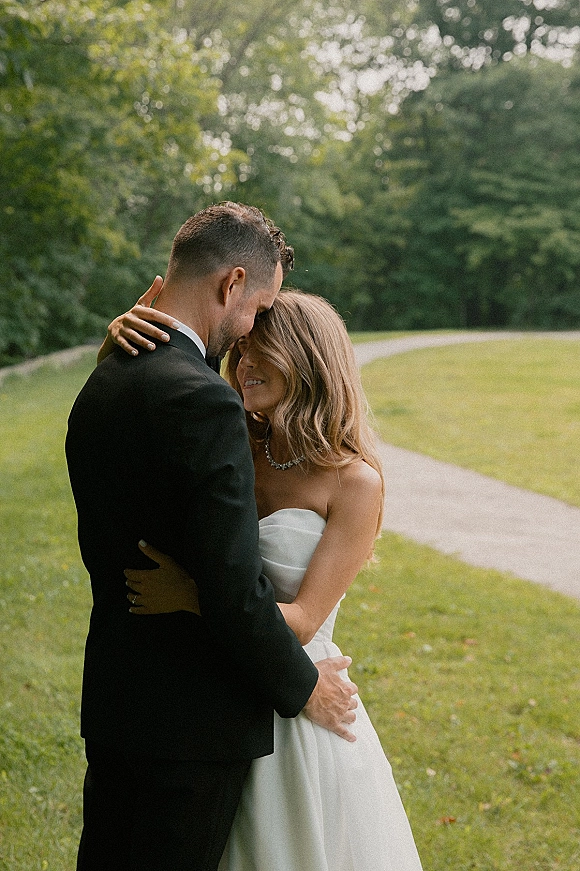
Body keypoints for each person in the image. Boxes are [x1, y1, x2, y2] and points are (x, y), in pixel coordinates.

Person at [65, 203, 359, 871]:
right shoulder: (203, 399)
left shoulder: (105, 375)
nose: (250, 331)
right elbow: (232, 592)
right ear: (231, 285)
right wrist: (306, 684)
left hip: (117, 701)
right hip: (192, 724)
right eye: (257, 308)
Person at [105, 288, 424, 870]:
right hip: (218, 692)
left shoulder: (355, 483)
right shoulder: (232, 439)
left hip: (298, 700)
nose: (242, 364)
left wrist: (193, 596)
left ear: (307, 358)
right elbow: (154, 409)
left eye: (261, 351)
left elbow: (301, 620)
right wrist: (121, 346)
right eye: (241, 350)